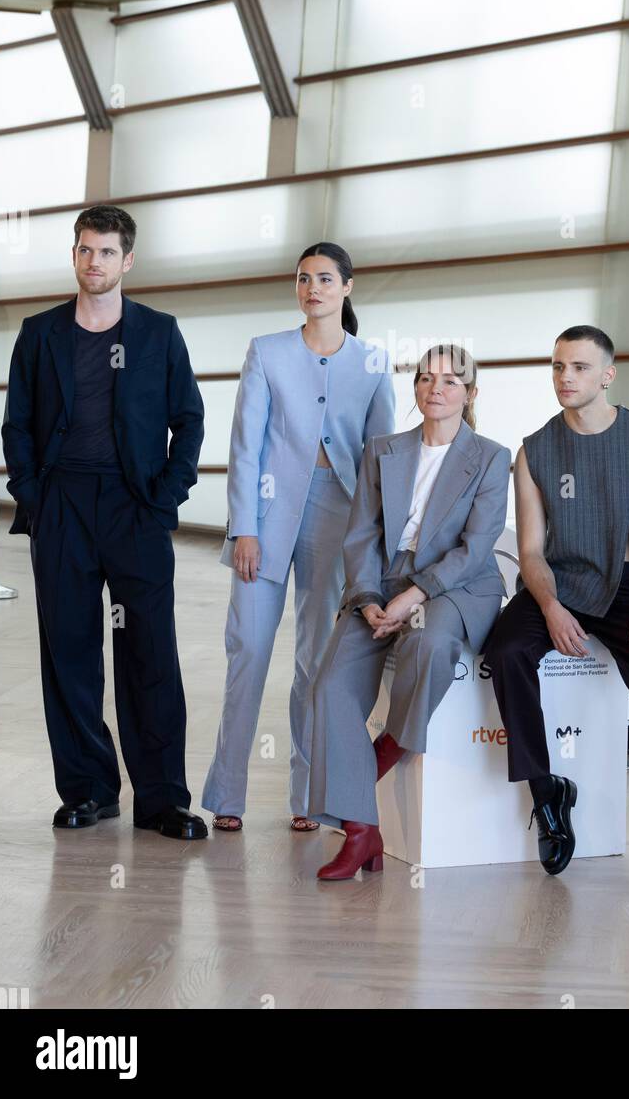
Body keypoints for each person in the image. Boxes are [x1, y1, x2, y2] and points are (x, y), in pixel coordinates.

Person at [2, 204, 207, 838]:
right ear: (75, 256)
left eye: (108, 252)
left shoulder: (158, 332)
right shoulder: (39, 334)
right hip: (61, 504)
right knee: (69, 649)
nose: (96, 262)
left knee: (150, 650)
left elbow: (190, 419)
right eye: (86, 250)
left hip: (134, 508)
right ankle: (89, 789)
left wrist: (166, 495)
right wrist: (34, 496)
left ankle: (163, 799)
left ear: (128, 260)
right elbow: (19, 425)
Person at [483, 326, 629, 895]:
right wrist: (548, 605)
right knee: (505, 649)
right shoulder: (535, 450)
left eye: (578, 367)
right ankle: (547, 792)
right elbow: (529, 551)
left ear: (606, 375)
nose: (565, 378)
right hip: (564, 581)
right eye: (557, 367)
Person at [202, 243, 395, 833]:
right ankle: (227, 794)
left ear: (347, 288)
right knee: (250, 650)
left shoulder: (372, 362)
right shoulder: (267, 352)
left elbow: (380, 456)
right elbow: (244, 446)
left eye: (326, 279)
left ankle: (307, 795)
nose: (313, 288)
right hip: (265, 515)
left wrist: (372, 545)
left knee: (316, 661)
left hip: (337, 519)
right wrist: (244, 528)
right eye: (304, 279)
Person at [308, 344, 510, 880]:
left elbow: (476, 545)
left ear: (470, 393)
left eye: (450, 380)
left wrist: (416, 593)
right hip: (380, 580)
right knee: (329, 686)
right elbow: (362, 534)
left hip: (456, 585)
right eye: (425, 378)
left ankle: (365, 781)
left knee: (428, 644)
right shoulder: (384, 450)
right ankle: (362, 831)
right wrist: (371, 597)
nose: (435, 388)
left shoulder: (490, 456)